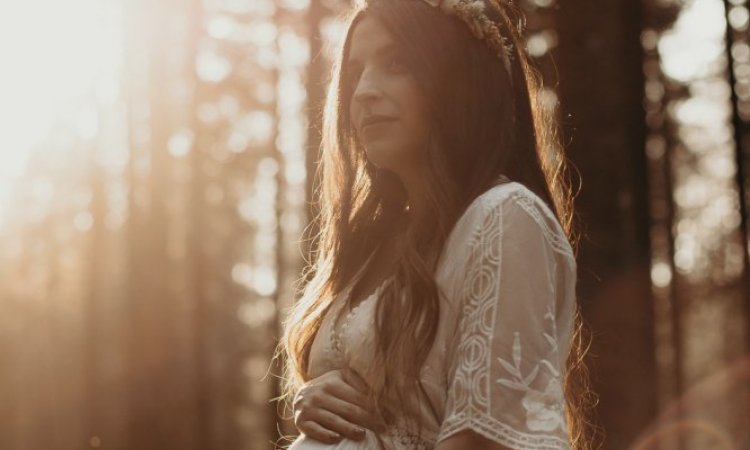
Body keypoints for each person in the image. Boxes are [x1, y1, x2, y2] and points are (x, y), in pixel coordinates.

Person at [275, 0, 594, 449]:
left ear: (457, 80)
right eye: (355, 71)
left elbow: (484, 438)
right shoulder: (375, 245)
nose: (364, 90)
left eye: (396, 64)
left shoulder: (504, 218)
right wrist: (315, 400)